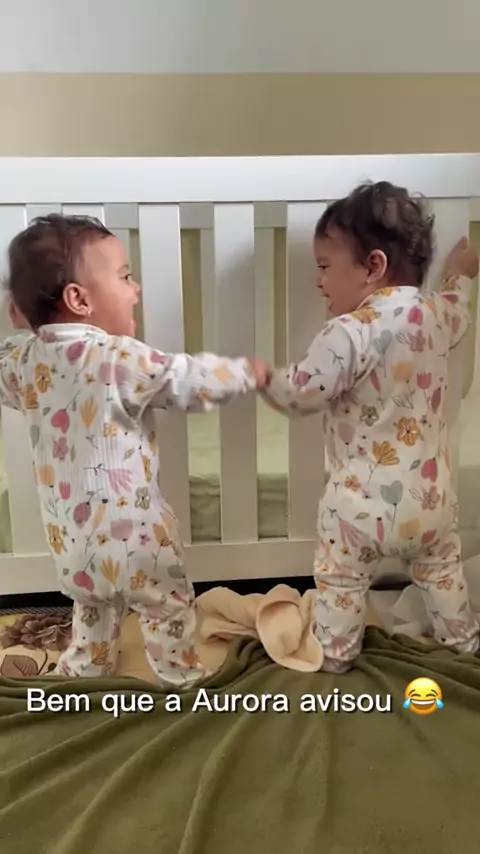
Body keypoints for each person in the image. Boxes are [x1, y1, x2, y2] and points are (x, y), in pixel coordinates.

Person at [0, 214, 269, 685]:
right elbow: (187, 380)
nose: (137, 287)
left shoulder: (26, 362)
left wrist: (24, 322)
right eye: (125, 276)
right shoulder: (119, 357)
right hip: (135, 538)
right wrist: (244, 373)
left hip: (71, 542)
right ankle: (179, 677)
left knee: (93, 607)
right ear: (79, 300)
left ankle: (86, 669)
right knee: (167, 605)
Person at [261, 181, 479, 672]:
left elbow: (303, 394)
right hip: (430, 501)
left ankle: (336, 655)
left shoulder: (348, 331)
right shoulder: (438, 316)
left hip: (359, 509)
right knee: (443, 574)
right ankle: (463, 646)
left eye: (324, 267)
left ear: (372, 267)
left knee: (340, 581)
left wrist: (262, 378)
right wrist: (461, 274)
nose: (318, 282)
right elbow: (458, 304)